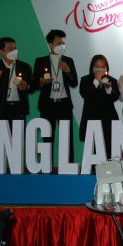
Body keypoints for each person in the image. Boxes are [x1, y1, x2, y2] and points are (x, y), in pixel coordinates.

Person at [31, 30, 79, 161]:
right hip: (47, 104)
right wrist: (41, 82)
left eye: (63, 43)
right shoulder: (40, 61)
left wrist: (67, 71)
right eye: (59, 43)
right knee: (47, 138)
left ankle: (68, 166)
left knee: (67, 139)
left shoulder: (68, 61)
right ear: (50, 45)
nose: (62, 45)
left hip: (64, 104)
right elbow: (34, 84)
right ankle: (46, 166)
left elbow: (74, 83)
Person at [0, 37, 34, 122]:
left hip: (19, 109)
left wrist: (27, 86)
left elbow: (32, 87)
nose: (14, 51)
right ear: (1, 52)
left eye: (15, 48)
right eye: (10, 49)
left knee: (19, 131)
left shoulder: (24, 66)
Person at [79, 55, 119, 160]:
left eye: (103, 67)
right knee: (93, 153)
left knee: (109, 151)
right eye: (97, 66)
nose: (100, 69)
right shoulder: (85, 80)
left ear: (106, 68)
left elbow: (115, 96)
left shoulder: (112, 80)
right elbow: (86, 94)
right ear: (92, 67)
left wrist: (108, 89)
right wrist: (96, 80)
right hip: (91, 119)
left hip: (108, 120)